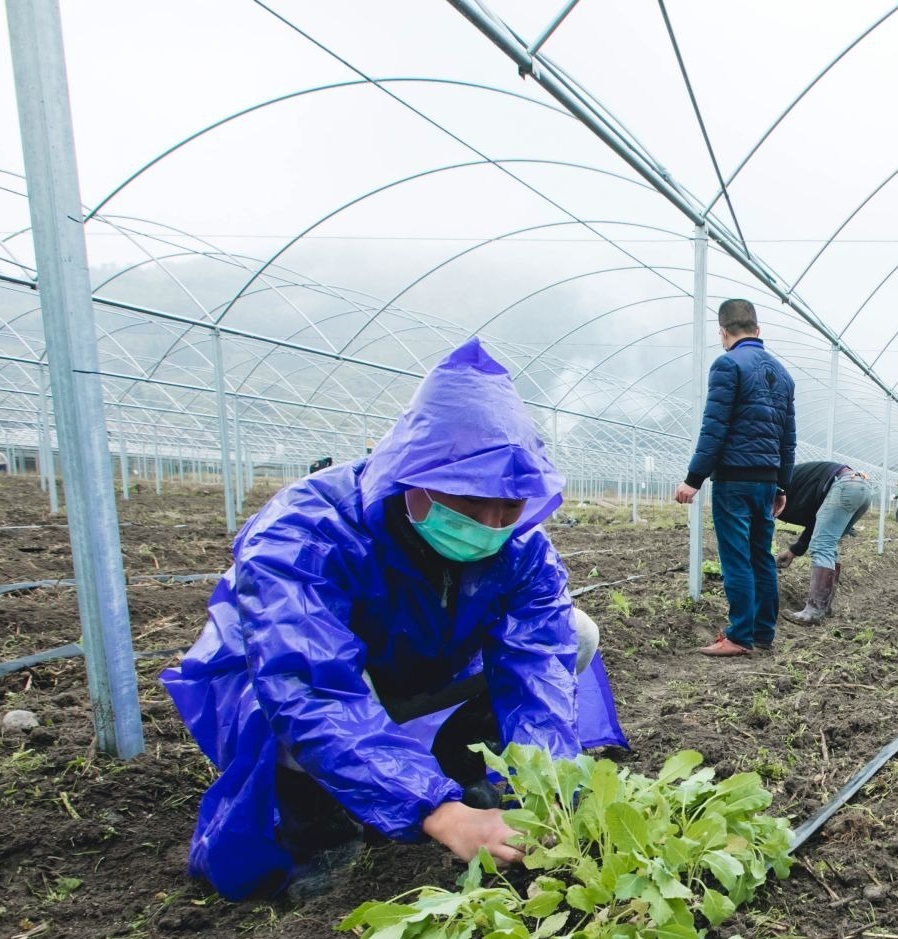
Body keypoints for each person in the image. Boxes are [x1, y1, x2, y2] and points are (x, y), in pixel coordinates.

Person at [161, 339, 628, 900]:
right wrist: (436, 813)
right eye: (469, 500)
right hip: (291, 679)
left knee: (576, 634)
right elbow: (310, 687)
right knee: (277, 700)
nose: (491, 523)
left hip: (415, 668)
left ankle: (455, 768)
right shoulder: (305, 532)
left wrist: (552, 790)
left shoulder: (521, 547)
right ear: (414, 476)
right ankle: (317, 821)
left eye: (509, 505)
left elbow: (538, 668)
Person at [674, 299, 796, 657]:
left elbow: (714, 427)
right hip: (765, 481)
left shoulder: (728, 364)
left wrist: (693, 479)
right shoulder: (784, 376)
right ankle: (762, 633)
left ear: (723, 333)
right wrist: (782, 486)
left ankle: (739, 636)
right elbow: (788, 439)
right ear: (757, 331)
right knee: (761, 556)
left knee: (736, 559)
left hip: (734, 480)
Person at [775, 459, 875, 623]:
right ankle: (824, 606)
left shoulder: (775, 485)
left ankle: (814, 611)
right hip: (860, 488)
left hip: (844, 485)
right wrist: (794, 551)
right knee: (828, 545)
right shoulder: (792, 486)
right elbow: (816, 523)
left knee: (823, 546)